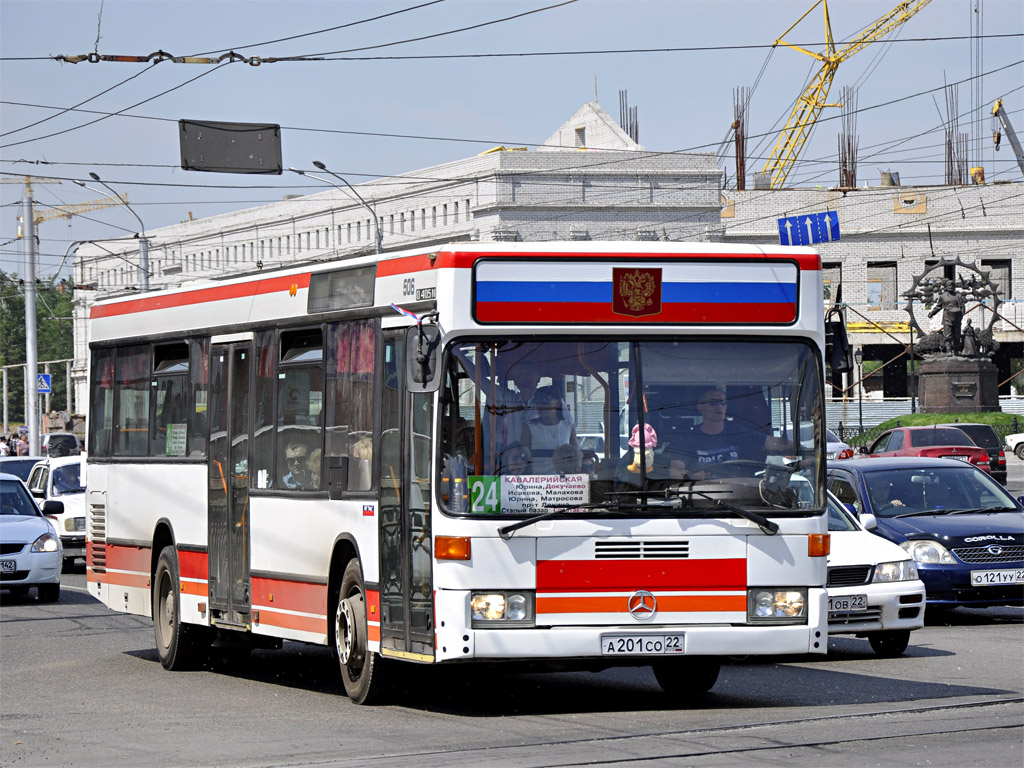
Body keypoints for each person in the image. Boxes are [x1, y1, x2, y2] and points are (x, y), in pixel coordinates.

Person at [670, 387, 784, 480]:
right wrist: (690, 475)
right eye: (713, 403)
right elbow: (675, 471)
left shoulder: (739, 433)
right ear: (701, 407)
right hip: (699, 497)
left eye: (722, 402)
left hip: (739, 496)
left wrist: (801, 450)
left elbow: (776, 444)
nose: (719, 407)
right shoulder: (686, 438)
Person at [521, 385, 577, 474]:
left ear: (558, 403)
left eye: (545, 401)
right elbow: (524, 457)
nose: (540, 406)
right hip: (537, 480)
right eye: (537, 402)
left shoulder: (568, 426)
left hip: (562, 480)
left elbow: (576, 456)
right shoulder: (529, 427)